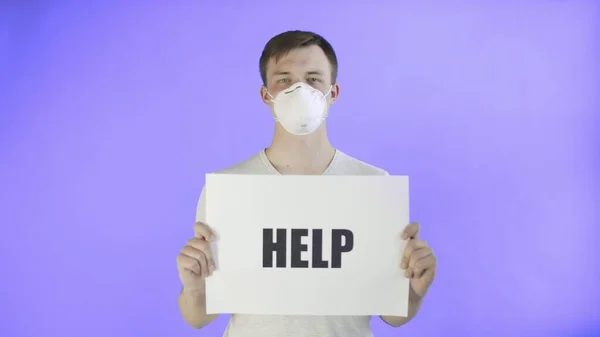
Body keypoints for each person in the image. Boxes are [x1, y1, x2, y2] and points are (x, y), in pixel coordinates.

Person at [176, 30, 437, 337]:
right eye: (284, 79)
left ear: (333, 93)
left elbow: (392, 315)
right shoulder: (228, 189)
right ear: (266, 94)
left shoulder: (372, 186)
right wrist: (193, 288)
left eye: (313, 79)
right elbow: (198, 318)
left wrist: (415, 290)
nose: (299, 89)